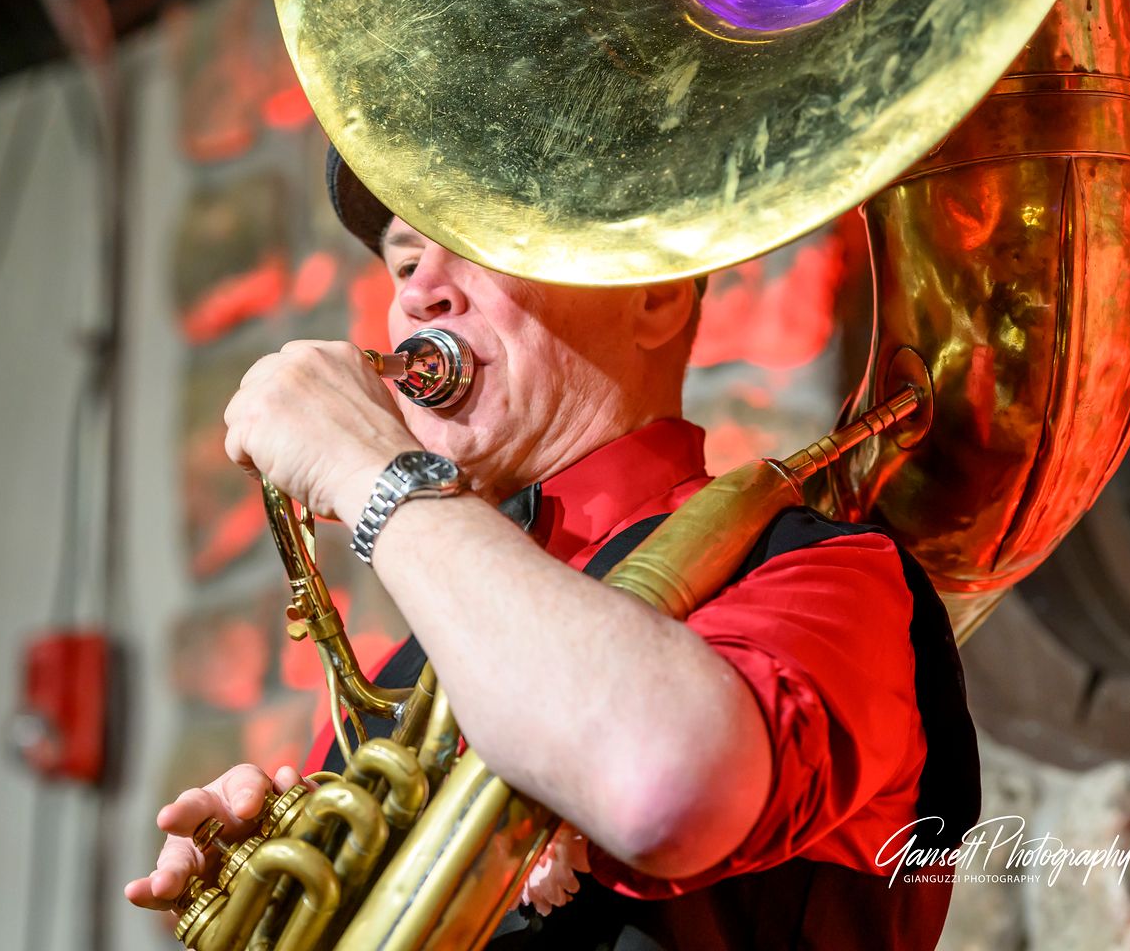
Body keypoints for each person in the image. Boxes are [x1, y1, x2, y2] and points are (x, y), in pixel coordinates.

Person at [126, 149, 979, 950]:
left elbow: (663, 785)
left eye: (475, 239)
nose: (422, 293)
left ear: (652, 293)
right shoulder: (386, 698)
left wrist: (374, 474)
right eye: (405, 262)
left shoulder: (815, 573)